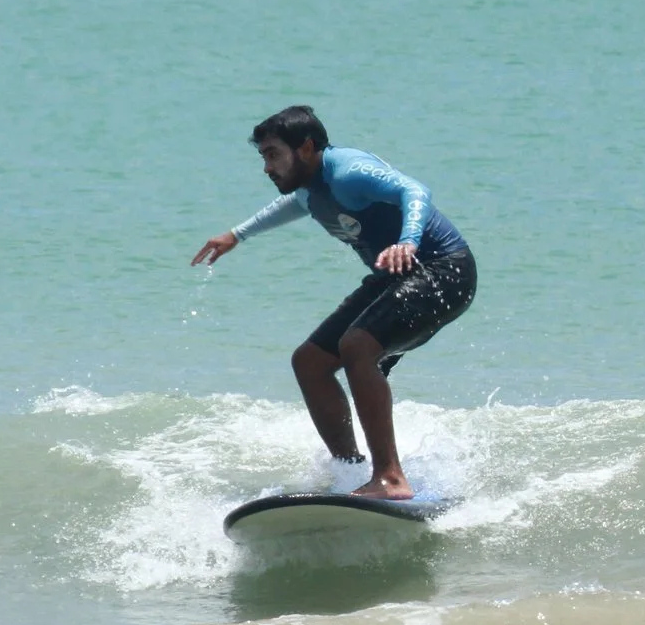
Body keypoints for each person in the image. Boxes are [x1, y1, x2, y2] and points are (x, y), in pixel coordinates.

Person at [192, 106, 476, 501]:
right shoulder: (311, 186)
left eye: (273, 154)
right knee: (310, 362)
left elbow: (415, 190)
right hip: (395, 276)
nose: (266, 168)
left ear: (306, 148)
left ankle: (391, 478)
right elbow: (300, 205)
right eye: (263, 157)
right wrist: (238, 234)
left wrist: (408, 240)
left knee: (357, 347)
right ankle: (350, 473)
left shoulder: (348, 171)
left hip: (444, 269)